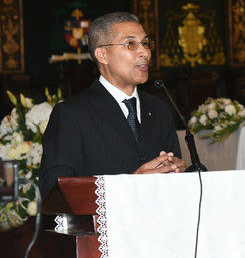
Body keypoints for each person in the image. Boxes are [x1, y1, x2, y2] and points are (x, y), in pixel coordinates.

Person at [40, 12, 186, 197]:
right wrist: (130, 182)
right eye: (131, 44)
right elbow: (53, 190)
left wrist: (178, 171)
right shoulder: (72, 113)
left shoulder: (159, 108)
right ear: (102, 55)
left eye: (145, 43)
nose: (145, 52)